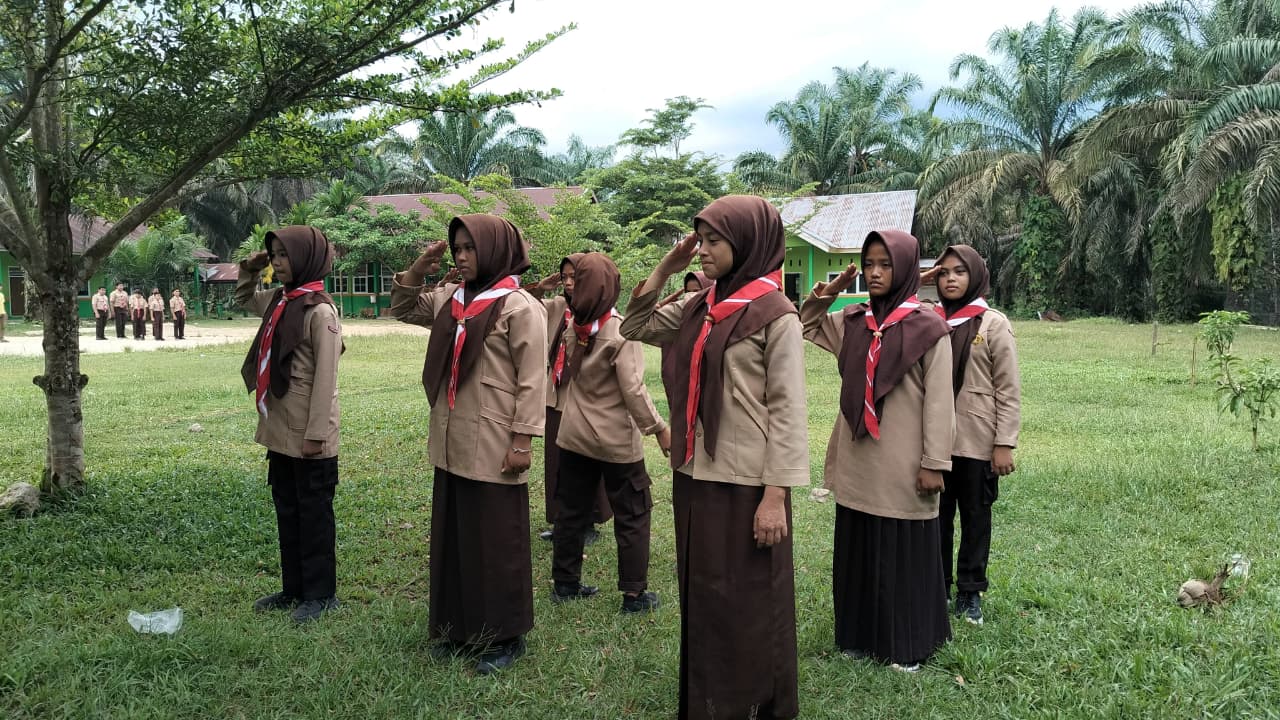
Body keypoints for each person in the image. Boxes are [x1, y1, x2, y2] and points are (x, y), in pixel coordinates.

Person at [621, 195, 808, 720]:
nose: (702, 250)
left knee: (748, 598)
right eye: (699, 240)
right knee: (703, 592)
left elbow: (788, 411)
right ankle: (707, 699)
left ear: (746, 243)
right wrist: (665, 268)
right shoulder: (698, 305)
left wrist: (775, 496)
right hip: (694, 471)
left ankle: (753, 701)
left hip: (747, 482)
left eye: (714, 241)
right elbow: (633, 327)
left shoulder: (776, 314)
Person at [390, 215, 546, 676]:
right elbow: (403, 308)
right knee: (456, 537)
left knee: (496, 541)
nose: (460, 256)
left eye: (470, 248)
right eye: (457, 248)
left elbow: (532, 382)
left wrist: (523, 441)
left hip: (495, 440)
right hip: (452, 437)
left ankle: (505, 635)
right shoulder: (451, 298)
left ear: (495, 249)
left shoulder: (519, 306)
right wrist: (417, 270)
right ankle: (459, 627)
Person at [800, 229, 954, 672]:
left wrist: (934, 463)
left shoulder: (929, 329)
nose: (874, 273)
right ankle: (857, 635)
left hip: (903, 462)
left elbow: (940, 404)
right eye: (868, 264)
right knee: (858, 548)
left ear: (904, 269)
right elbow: (807, 325)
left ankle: (906, 644)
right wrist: (824, 294)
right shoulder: (853, 321)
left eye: (885, 264)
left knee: (901, 552)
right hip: (858, 458)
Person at [551, 252, 669, 612]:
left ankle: (565, 583)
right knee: (633, 513)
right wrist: (658, 428)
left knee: (571, 511)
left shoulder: (575, 325)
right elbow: (633, 389)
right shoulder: (620, 330)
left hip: (574, 435)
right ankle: (634, 594)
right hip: (616, 441)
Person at [237, 226, 343, 625]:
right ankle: (293, 588)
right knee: (288, 508)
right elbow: (243, 298)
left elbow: (326, 380)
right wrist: (251, 268)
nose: (278, 263)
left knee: (314, 514)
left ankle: (321, 594)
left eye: (285, 255)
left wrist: (317, 434)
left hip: (308, 431)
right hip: (280, 428)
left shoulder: (320, 311)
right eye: (275, 255)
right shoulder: (280, 301)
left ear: (307, 258)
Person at [926, 245, 1021, 626]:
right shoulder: (927, 319)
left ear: (976, 276)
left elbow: (1008, 388)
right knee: (935, 517)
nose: (950, 279)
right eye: (943, 272)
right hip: (933, 441)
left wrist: (1004, 442)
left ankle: (970, 592)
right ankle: (937, 587)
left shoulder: (992, 323)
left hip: (977, 441)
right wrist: (917, 282)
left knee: (975, 518)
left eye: (959, 272)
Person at [529, 255, 613, 544]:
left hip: (586, 397)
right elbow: (520, 305)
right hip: (555, 396)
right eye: (564, 276)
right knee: (557, 461)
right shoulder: (556, 307)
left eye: (574, 277)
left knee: (585, 461)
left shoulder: (602, 313)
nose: (567, 282)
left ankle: (588, 521)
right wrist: (539, 287)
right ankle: (562, 521)